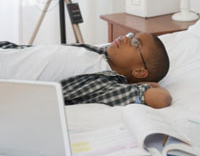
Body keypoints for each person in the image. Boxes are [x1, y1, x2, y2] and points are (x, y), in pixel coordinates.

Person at [0, 32, 171, 108]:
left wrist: (149, 85)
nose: (126, 38)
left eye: (135, 43)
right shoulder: (101, 52)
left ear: (140, 71)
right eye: (131, 35)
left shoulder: (105, 83)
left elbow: (161, 99)